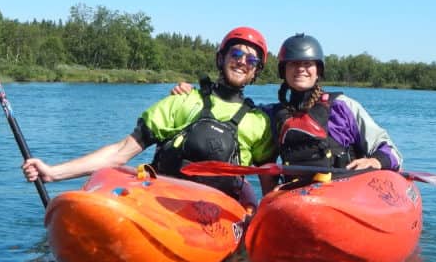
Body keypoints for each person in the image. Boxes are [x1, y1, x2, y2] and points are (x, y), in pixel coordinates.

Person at [22, 26, 274, 207]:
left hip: (213, 216)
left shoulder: (259, 122)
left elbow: (268, 180)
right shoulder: (182, 101)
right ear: (221, 58)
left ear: (256, 72)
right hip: (162, 203)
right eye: (236, 54)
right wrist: (53, 173)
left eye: (251, 59)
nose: (243, 62)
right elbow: (121, 151)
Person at [171, 32, 402, 186]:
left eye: (307, 64)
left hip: (348, 192)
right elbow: (227, 112)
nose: (301, 69)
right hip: (299, 199)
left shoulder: (344, 107)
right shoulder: (270, 115)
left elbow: (389, 150)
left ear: (318, 70)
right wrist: (194, 94)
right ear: (284, 71)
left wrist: (376, 162)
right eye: (293, 64)